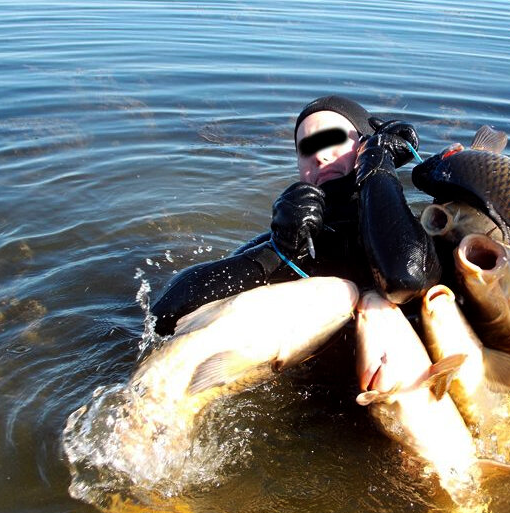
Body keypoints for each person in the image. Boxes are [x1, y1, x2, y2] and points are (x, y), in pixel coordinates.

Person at [151, 95, 441, 336]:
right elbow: (165, 316)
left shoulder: (423, 231)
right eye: (307, 150)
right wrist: (281, 251)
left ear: (367, 144)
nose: (319, 156)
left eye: (333, 140)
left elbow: (405, 276)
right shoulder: (287, 242)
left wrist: (378, 164)